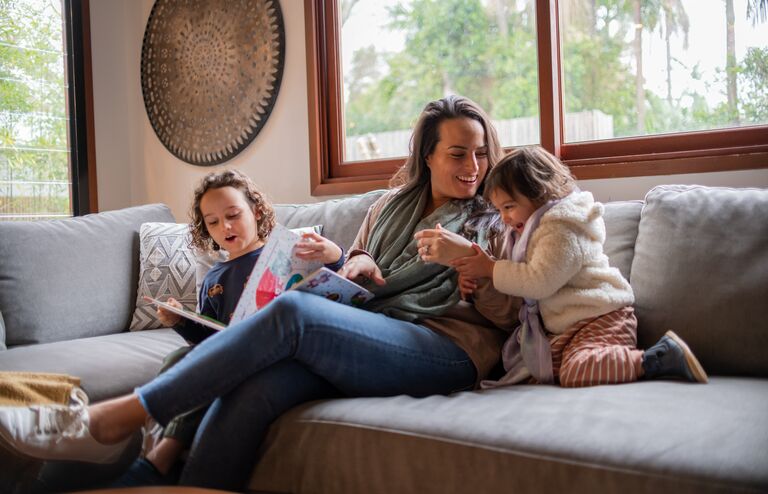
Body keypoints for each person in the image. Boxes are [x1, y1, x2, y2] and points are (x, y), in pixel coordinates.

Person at [0, 95, 520, 491]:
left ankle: (114, 418)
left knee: (294, 313)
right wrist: (350, 260)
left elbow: (508, 315)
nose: (472, 167)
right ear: (427, 156)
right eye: (457, 154)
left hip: (446, 349)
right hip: (372, 331)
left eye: (478, 154)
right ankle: (164, 477)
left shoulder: (496, 216)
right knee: (257, 385)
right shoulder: (388, 207)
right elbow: (359, 270)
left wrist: (476, 265)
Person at [116, 169, 345, 485]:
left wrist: (336, 255)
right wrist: (181, 320)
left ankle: (160, 459)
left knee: (214, 371)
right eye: (212, 222)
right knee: (177, 360)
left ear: (257, 211)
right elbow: (208, 338)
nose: (224, 227)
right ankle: (165, 451)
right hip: (231, 356)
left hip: (282, 356)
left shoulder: (288, 252)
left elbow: (334, 278)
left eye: (233, 215)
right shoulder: (214, 278)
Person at [436, 145, 708, 387]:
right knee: (531, 369)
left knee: (575, 371)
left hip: (603, 316)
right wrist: (480, 280)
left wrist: (491, 269)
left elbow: (538, 281)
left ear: (539, 193)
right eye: (500, 210)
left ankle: (656, 358)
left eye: (509, 207)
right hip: (568, 327)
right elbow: (516, 283)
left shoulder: (562, 228)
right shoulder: (528, 230)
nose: (505, 218)